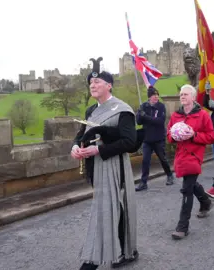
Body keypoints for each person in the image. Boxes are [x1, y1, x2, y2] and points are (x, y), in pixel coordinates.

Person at [71, 67, 139, 270]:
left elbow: (129, 142)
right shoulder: (91, 111)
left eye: (98, 82)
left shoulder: (123, 109)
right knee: (115, 208)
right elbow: (81, 134)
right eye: (91, 83)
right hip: (96, 168)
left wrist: (98, 151)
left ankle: (92, 261)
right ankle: (126, 250)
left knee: (107, 208)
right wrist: (75, 146)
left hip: (114, 167)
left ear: (109, 86)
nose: (92, 85)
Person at [167, 84, 214, 240]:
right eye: (181, 94)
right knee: (191, 184)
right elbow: (169, 136)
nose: (182, 96)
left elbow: (211, 137)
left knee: (187, 188)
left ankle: (182, 227)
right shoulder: (175, 115)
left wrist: (193, 135)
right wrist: (175, 136)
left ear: (193, 98)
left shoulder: (202, 115)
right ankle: (205, 201)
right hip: (181, 155)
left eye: (186, 94)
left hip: (195, 155)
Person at [135, 86, 174, 191]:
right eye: (154, 95)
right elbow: (139, 122)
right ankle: (143, 182)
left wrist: (146, 117)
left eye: (157, 95)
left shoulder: (161, 107)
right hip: (147, 139)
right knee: (145, 161)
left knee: (162, 158)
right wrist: (139, 114)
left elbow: (159, 121)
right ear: (149, 97)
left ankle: (169, 175)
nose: (156, 97)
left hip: (158, 138)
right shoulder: (144, 106)